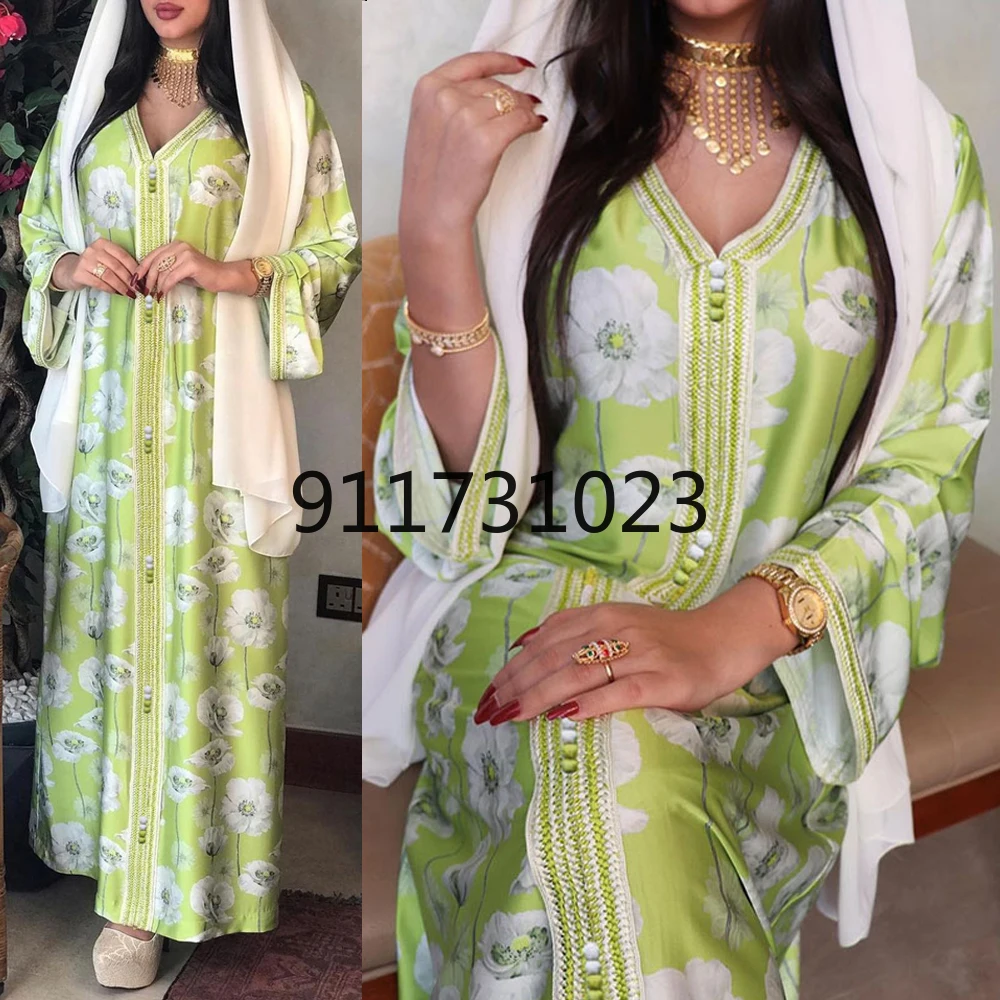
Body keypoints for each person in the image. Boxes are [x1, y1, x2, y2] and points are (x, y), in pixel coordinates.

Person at [366, 0, 993, 996]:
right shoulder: (530, 114)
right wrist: (435, 233)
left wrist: (734, 629)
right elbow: (455, 514)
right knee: (602, 775)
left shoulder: (914, 158)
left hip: (778, 657)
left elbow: (929, 454)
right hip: (532, 609)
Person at [20, 0, 359, 988]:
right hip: (109, 438)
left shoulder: (274, 110)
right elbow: (38, 233)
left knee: (204, 639)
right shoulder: (95, 103)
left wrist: (233, 270)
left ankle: (189, 884)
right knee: (110, 640)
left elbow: (331, 254)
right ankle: (124, 894)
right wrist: (69, 266)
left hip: (215, 441)